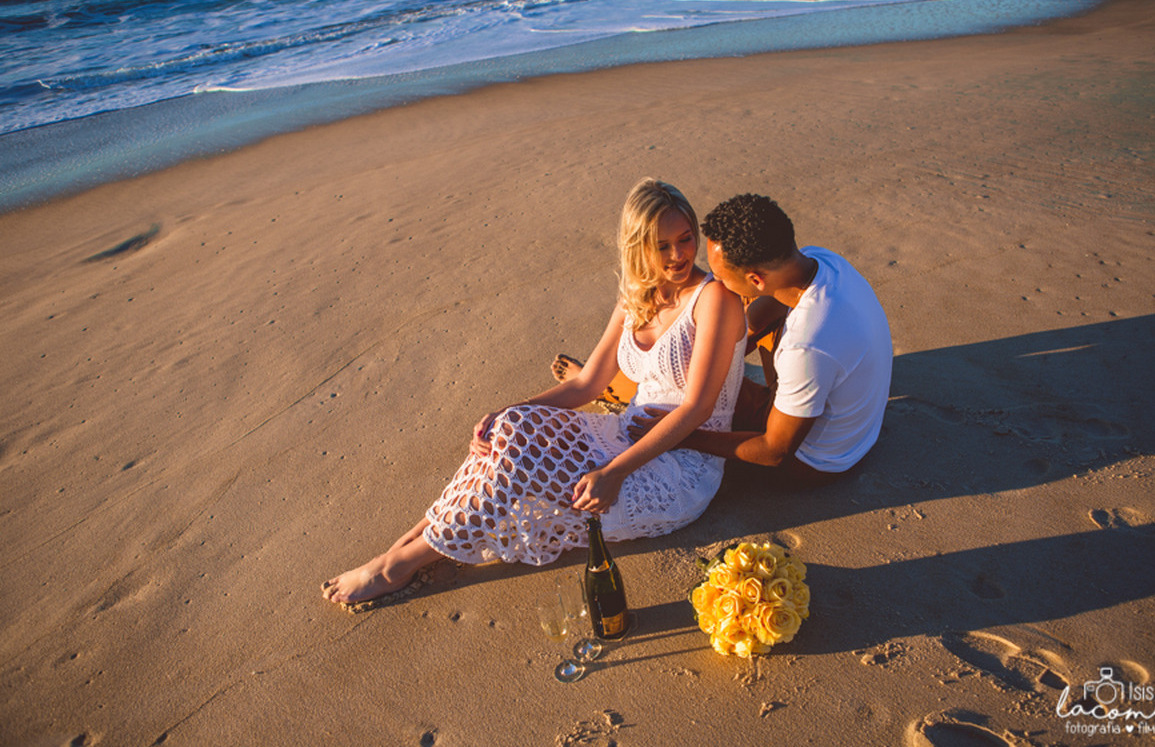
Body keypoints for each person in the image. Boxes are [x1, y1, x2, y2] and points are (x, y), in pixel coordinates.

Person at [322, 178, 746, 606]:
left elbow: (697, 407)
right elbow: (587, 383)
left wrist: (614, 473)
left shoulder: (712, 299)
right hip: (623, 434)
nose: (678, 255)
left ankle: (398, 564)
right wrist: (505, 412)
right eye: (661, 246)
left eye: (685, 239)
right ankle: (412, 542)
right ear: (637, 247)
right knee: (509, 430)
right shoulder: (636, 297)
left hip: (679, 466)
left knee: (519, 466)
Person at [634, 193, 892, 485]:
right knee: (695, 368)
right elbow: (757, 321)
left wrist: (683, 436)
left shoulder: (806, 346)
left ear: (756, 279)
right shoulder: (820, 260)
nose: (715, 283)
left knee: (675, 391)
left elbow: (774, 451)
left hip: (814, 461)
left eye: (720, 276)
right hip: (858, 432)